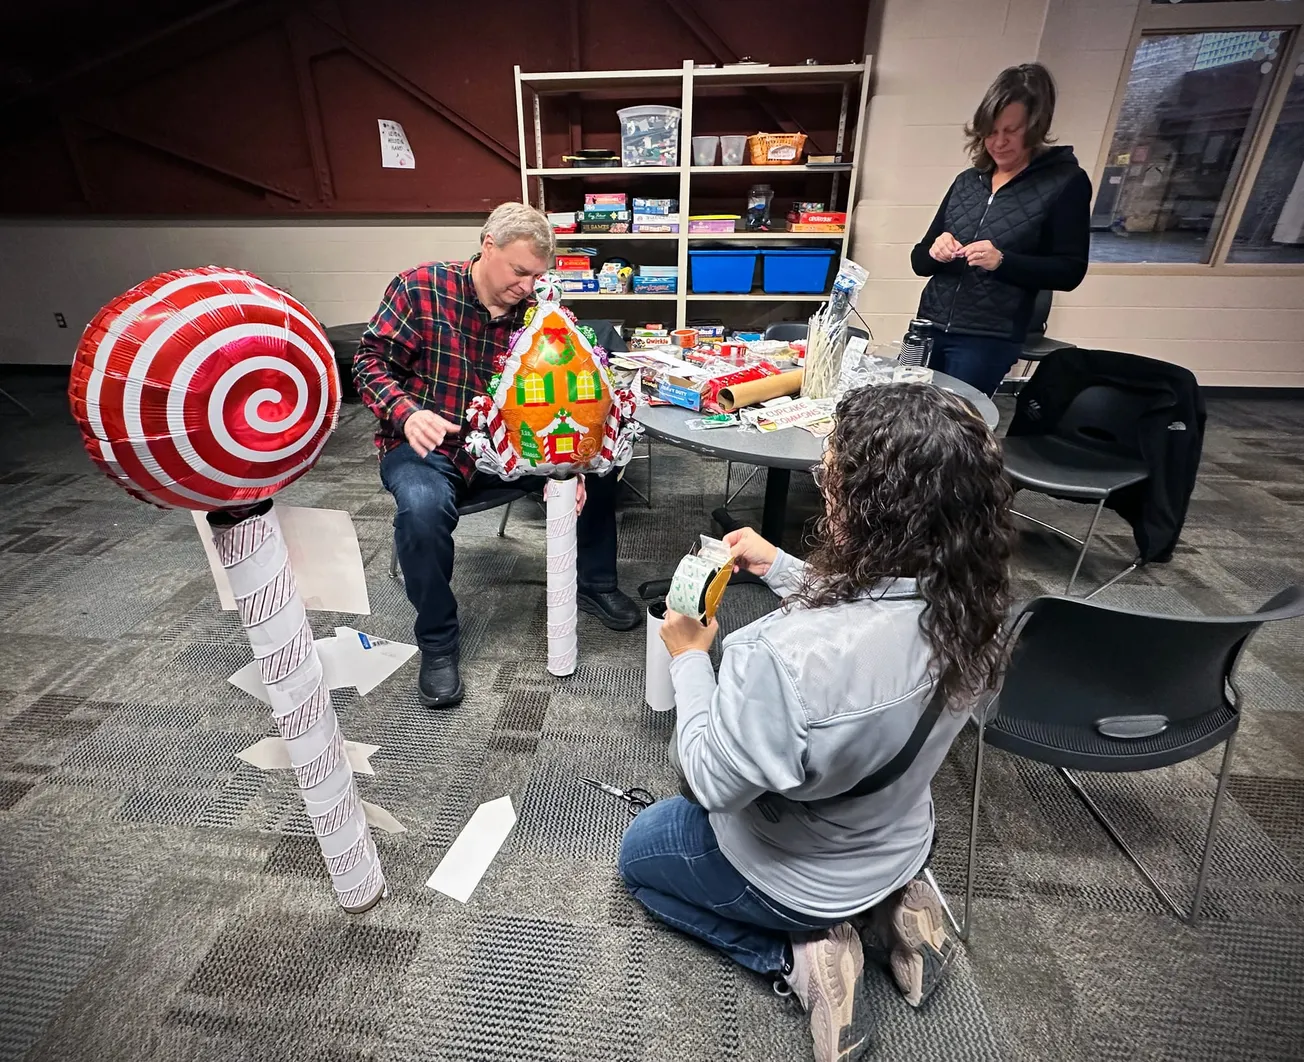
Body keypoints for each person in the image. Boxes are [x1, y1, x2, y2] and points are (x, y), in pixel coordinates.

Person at [618, 384, 1014, 1062]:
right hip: (899, 835)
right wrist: (781, 568)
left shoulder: (778, 658)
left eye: (828, 474)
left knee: (640, 856)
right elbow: (873, 619)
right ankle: (900, 910)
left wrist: (690, 659)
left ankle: (799, 952)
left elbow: (711, 781)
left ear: (859, 507)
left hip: (803, 870)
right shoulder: (977, 602)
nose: (819, 483)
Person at [353, 202, 641, 709]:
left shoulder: (537, 311)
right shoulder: (419, 288)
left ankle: (595, 582)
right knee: (421, 512)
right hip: (428, 445)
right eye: (520, 271)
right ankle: (438, 643)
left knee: (599, 467)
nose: (529, 287)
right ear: (488, 246)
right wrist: (404, 412)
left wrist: (569, 463)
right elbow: (369, 360)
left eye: (539, 275)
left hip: (513, 446)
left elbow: (566, 394)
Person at [911, 62, 1091, 396]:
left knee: (959, 431)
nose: (999, 142)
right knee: (912, 422)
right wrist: (936, 251)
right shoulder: (967, 182)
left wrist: (1003, 261)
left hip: (987, 339)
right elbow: (920, 261)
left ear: (1036, 127)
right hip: (929, 327)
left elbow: (1070, 271)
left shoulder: (1066, 183)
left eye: (1012, 130)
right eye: (991, 131)